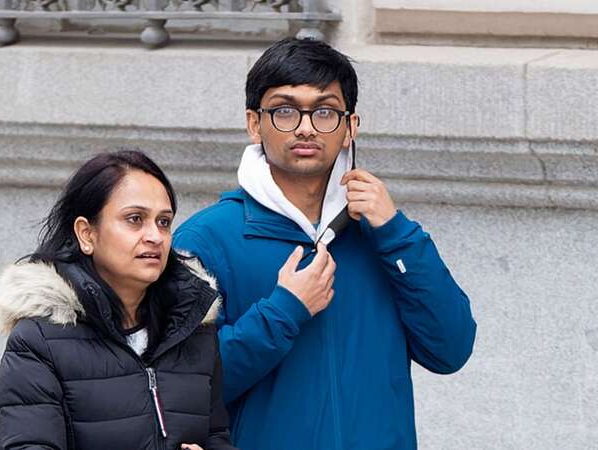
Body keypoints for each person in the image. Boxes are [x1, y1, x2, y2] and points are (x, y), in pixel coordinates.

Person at [173, 38, 477, 450]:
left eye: (324, 111)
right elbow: (184, 390)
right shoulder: (205, 240)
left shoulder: (384, 235)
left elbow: (451, 350)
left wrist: (395, 234)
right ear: (253, 122)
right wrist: (284, 311)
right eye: (284, 110)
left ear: (350, 126)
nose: (306, 127)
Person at [0, 151, 237, 450]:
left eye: (164, 222)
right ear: (86, 234)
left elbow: (216, 437)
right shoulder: (40, 341)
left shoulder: (194, 329)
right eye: (135, 219)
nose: (155, 236)